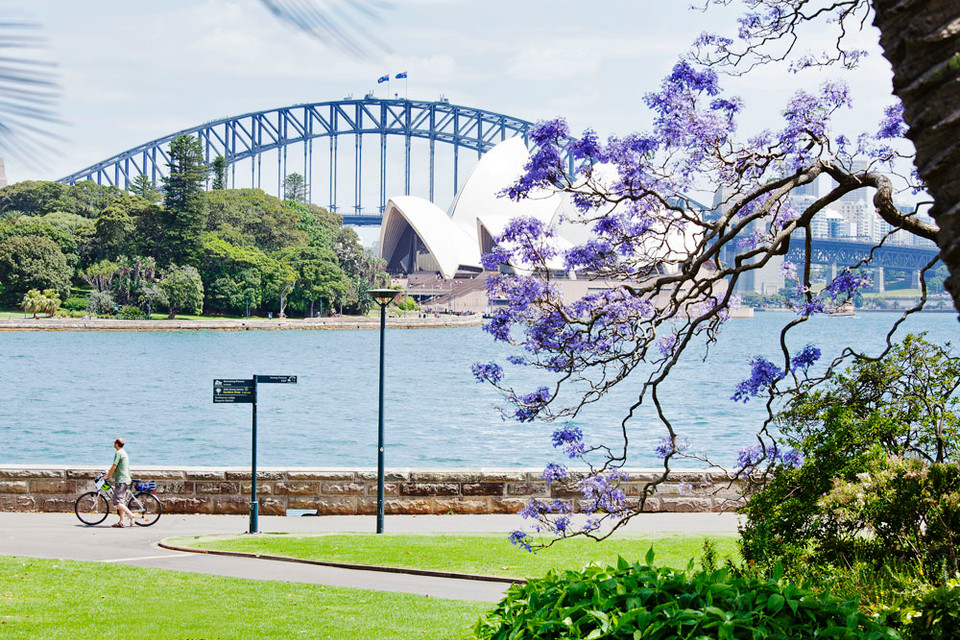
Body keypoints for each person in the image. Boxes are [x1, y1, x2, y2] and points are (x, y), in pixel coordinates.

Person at [104, 437, 135, 528]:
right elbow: (118, 467)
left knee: (117, 502)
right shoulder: (123, 452)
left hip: (121, 480)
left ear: (117, 444)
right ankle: (121, 521)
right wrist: (108, 472)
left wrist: (107, 476)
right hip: (125, 479)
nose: (113, 443)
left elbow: (114, 466)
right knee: (121, 502)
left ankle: (131, 515)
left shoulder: (118, 453)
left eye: (114, 442)